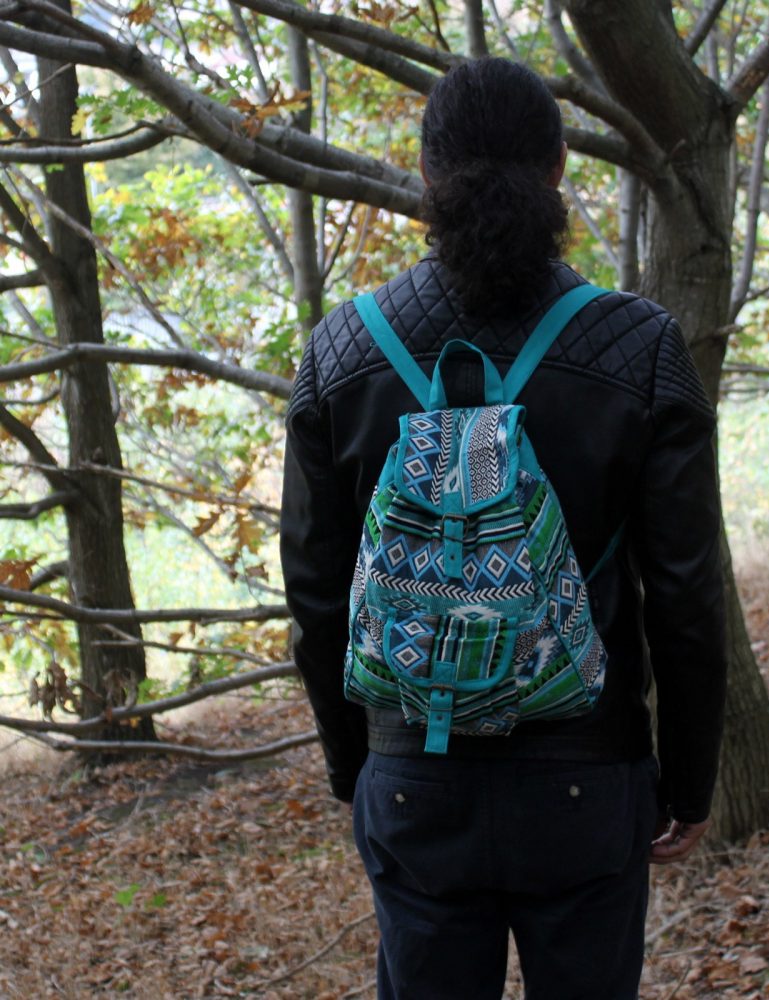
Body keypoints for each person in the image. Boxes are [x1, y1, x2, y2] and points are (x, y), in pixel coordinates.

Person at [280, 57, 726, 1000]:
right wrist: (688, 780)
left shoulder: (342, 351)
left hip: (414, 777)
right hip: (588, 775)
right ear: (560, 167)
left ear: (425, 172)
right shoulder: (640, 347)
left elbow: (316, 594)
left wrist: (358, 768)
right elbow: (685, 593)